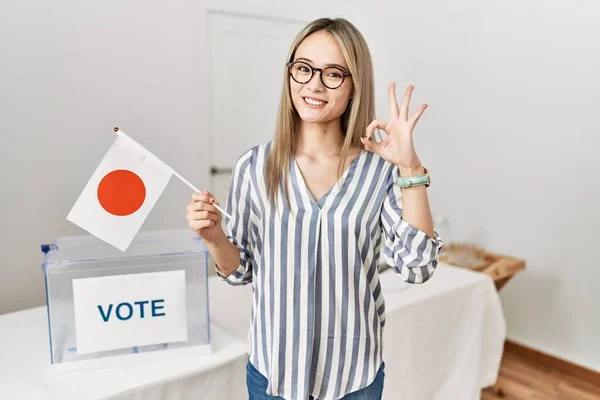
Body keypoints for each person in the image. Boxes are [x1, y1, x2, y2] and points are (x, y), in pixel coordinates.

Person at [186, 17, 444, 400]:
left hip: (354, 376)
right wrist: (213, 237)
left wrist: (410, 166)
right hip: (274, 373)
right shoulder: (254, 166)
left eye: (333, 73)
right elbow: (240, 271)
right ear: (290, 74)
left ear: (355, 84)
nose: (314, 84)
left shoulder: (381, 171)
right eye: (303, 68)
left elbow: (418, 266)